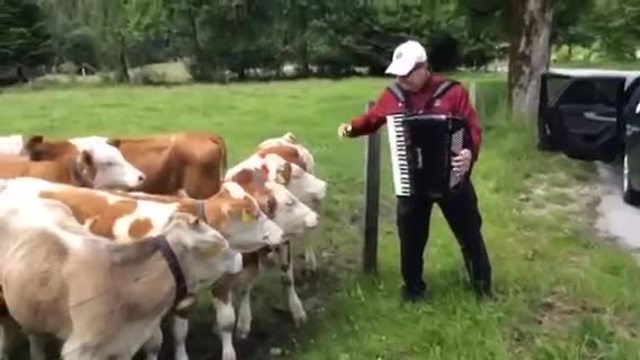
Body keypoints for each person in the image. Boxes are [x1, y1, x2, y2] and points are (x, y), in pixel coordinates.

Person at [337, 40, 493, 302]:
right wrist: (350, 128)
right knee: (410, 238)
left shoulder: (452, 92)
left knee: (469, 233)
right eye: (398, 73)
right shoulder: (392, 96)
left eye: (407, 72)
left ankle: (483, 288)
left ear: (424, 68)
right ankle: (413, 291)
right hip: (411, 181)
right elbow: (372, 120)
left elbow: (472, 128)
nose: (401, 78)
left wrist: (469, 154)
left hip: (452, 178)